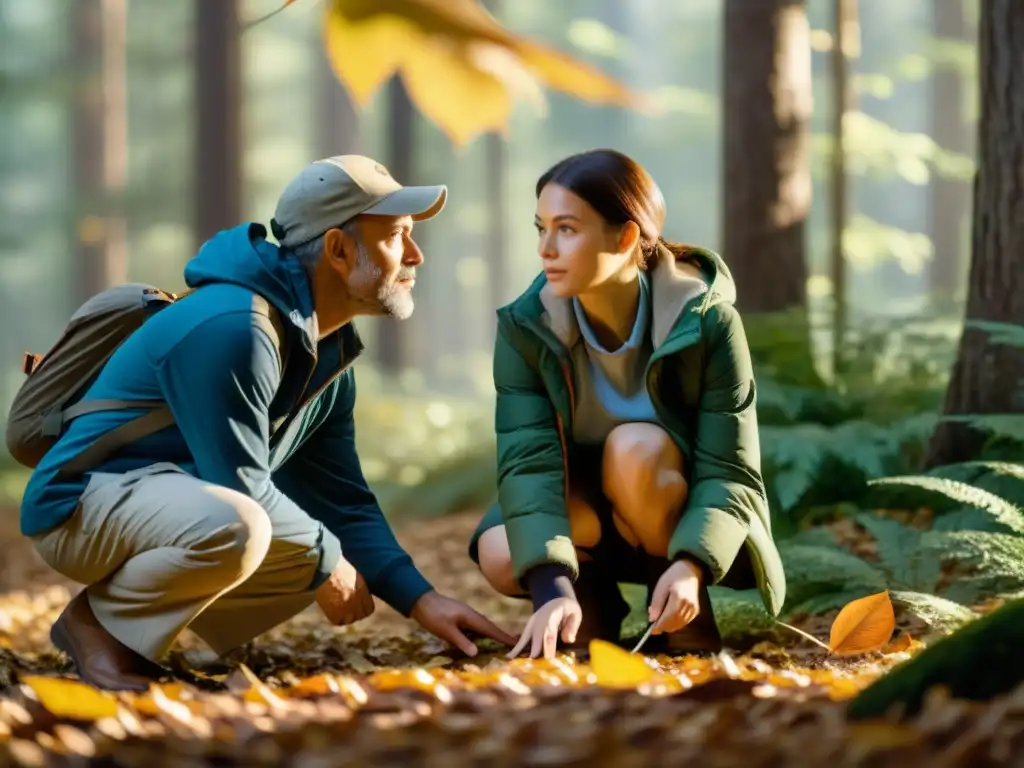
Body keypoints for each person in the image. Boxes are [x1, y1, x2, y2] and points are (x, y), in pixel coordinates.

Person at [18, 155, 515, 691]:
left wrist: (423, 601)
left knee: (301, 538)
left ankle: (134, 631)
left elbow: (340, 500)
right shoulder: (235, 327)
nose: (416, 255)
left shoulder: (323, 357)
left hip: (154, 501)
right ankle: (99, 628)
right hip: (78, 504)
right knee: (259, 530)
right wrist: (327, 560)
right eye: (397, 235)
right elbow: (240, 487)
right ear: (339, 250)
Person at [467, 148, 787, 660]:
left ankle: (682, 605)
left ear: (626, 236)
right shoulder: (525, 328)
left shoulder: (708, 322)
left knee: (635, 446)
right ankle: (590, 602)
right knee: (502, 549)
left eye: (567, 229)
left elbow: (731, 470)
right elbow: (529, 462)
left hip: (671, 515)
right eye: (540, 228)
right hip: (589, 518)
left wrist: (692, 565)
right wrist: (552, 587)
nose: (546, 248)